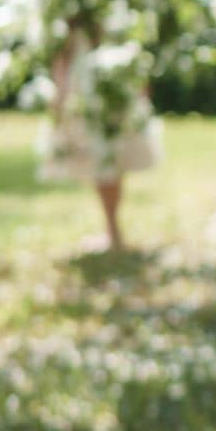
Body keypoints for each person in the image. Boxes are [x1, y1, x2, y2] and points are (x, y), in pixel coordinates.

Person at [35, 15, 161, 253]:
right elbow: (62, 53)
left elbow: (133, 40)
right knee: (103, 161)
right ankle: (112, 229)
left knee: (109, 158)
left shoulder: (114, 6)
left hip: (110, 83)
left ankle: (113, 230)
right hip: (84, 88)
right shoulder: (69, 13)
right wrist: (60, 94)